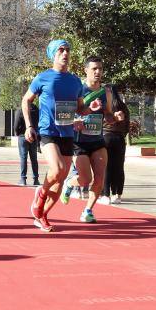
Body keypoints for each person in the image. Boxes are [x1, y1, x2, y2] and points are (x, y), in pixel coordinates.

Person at [22, 39, 103, 233]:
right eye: (60, 50)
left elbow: (80, 109)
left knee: (60, 180)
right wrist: (29, 126)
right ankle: (41, 194)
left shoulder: (75, 81)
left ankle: (42, 215)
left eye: (67, 50)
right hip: (48, 132)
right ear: (53, 54)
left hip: (67, 134)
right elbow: (26, 100)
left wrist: (89, 108)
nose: (65, 53)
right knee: (57, 169)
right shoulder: (42, 78)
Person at [60, 57, 125, 223]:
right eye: (94, 69)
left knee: (100, 178)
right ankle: (69, 183)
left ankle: (87, 211)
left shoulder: (106, 92)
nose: (98, 72)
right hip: (79, 142)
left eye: (100, 69)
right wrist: (75, 121)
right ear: (86, 70)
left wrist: (116, 117)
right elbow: (65, 115)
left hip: (97, 141)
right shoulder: (78, 90)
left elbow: (108, 116)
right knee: (85, 179)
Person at [100, 85, 130, 205]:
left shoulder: (104, 106)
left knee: (106, 167)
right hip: (119, 139)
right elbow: (127, 125)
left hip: (105, 137)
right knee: (119, 167)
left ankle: (106, 195)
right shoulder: (123, 106)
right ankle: (117, 195)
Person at [14, 97, 40, 186]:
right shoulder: (36, 110)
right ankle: (36, 179)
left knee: (23, 157)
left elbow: (16, 124)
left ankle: (23, 179)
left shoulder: (21, 110)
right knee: (34, 158)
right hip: (34, 135)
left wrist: (17, 133)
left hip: (22, 136)